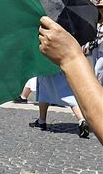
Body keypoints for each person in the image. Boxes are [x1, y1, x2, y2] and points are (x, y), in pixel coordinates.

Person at [38, 16, 103, 145]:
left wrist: (71, 58)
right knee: (67, 94)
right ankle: (80, 120)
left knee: (46, 92)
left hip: (53, 60)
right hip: (59, 60)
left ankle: (42, 120)